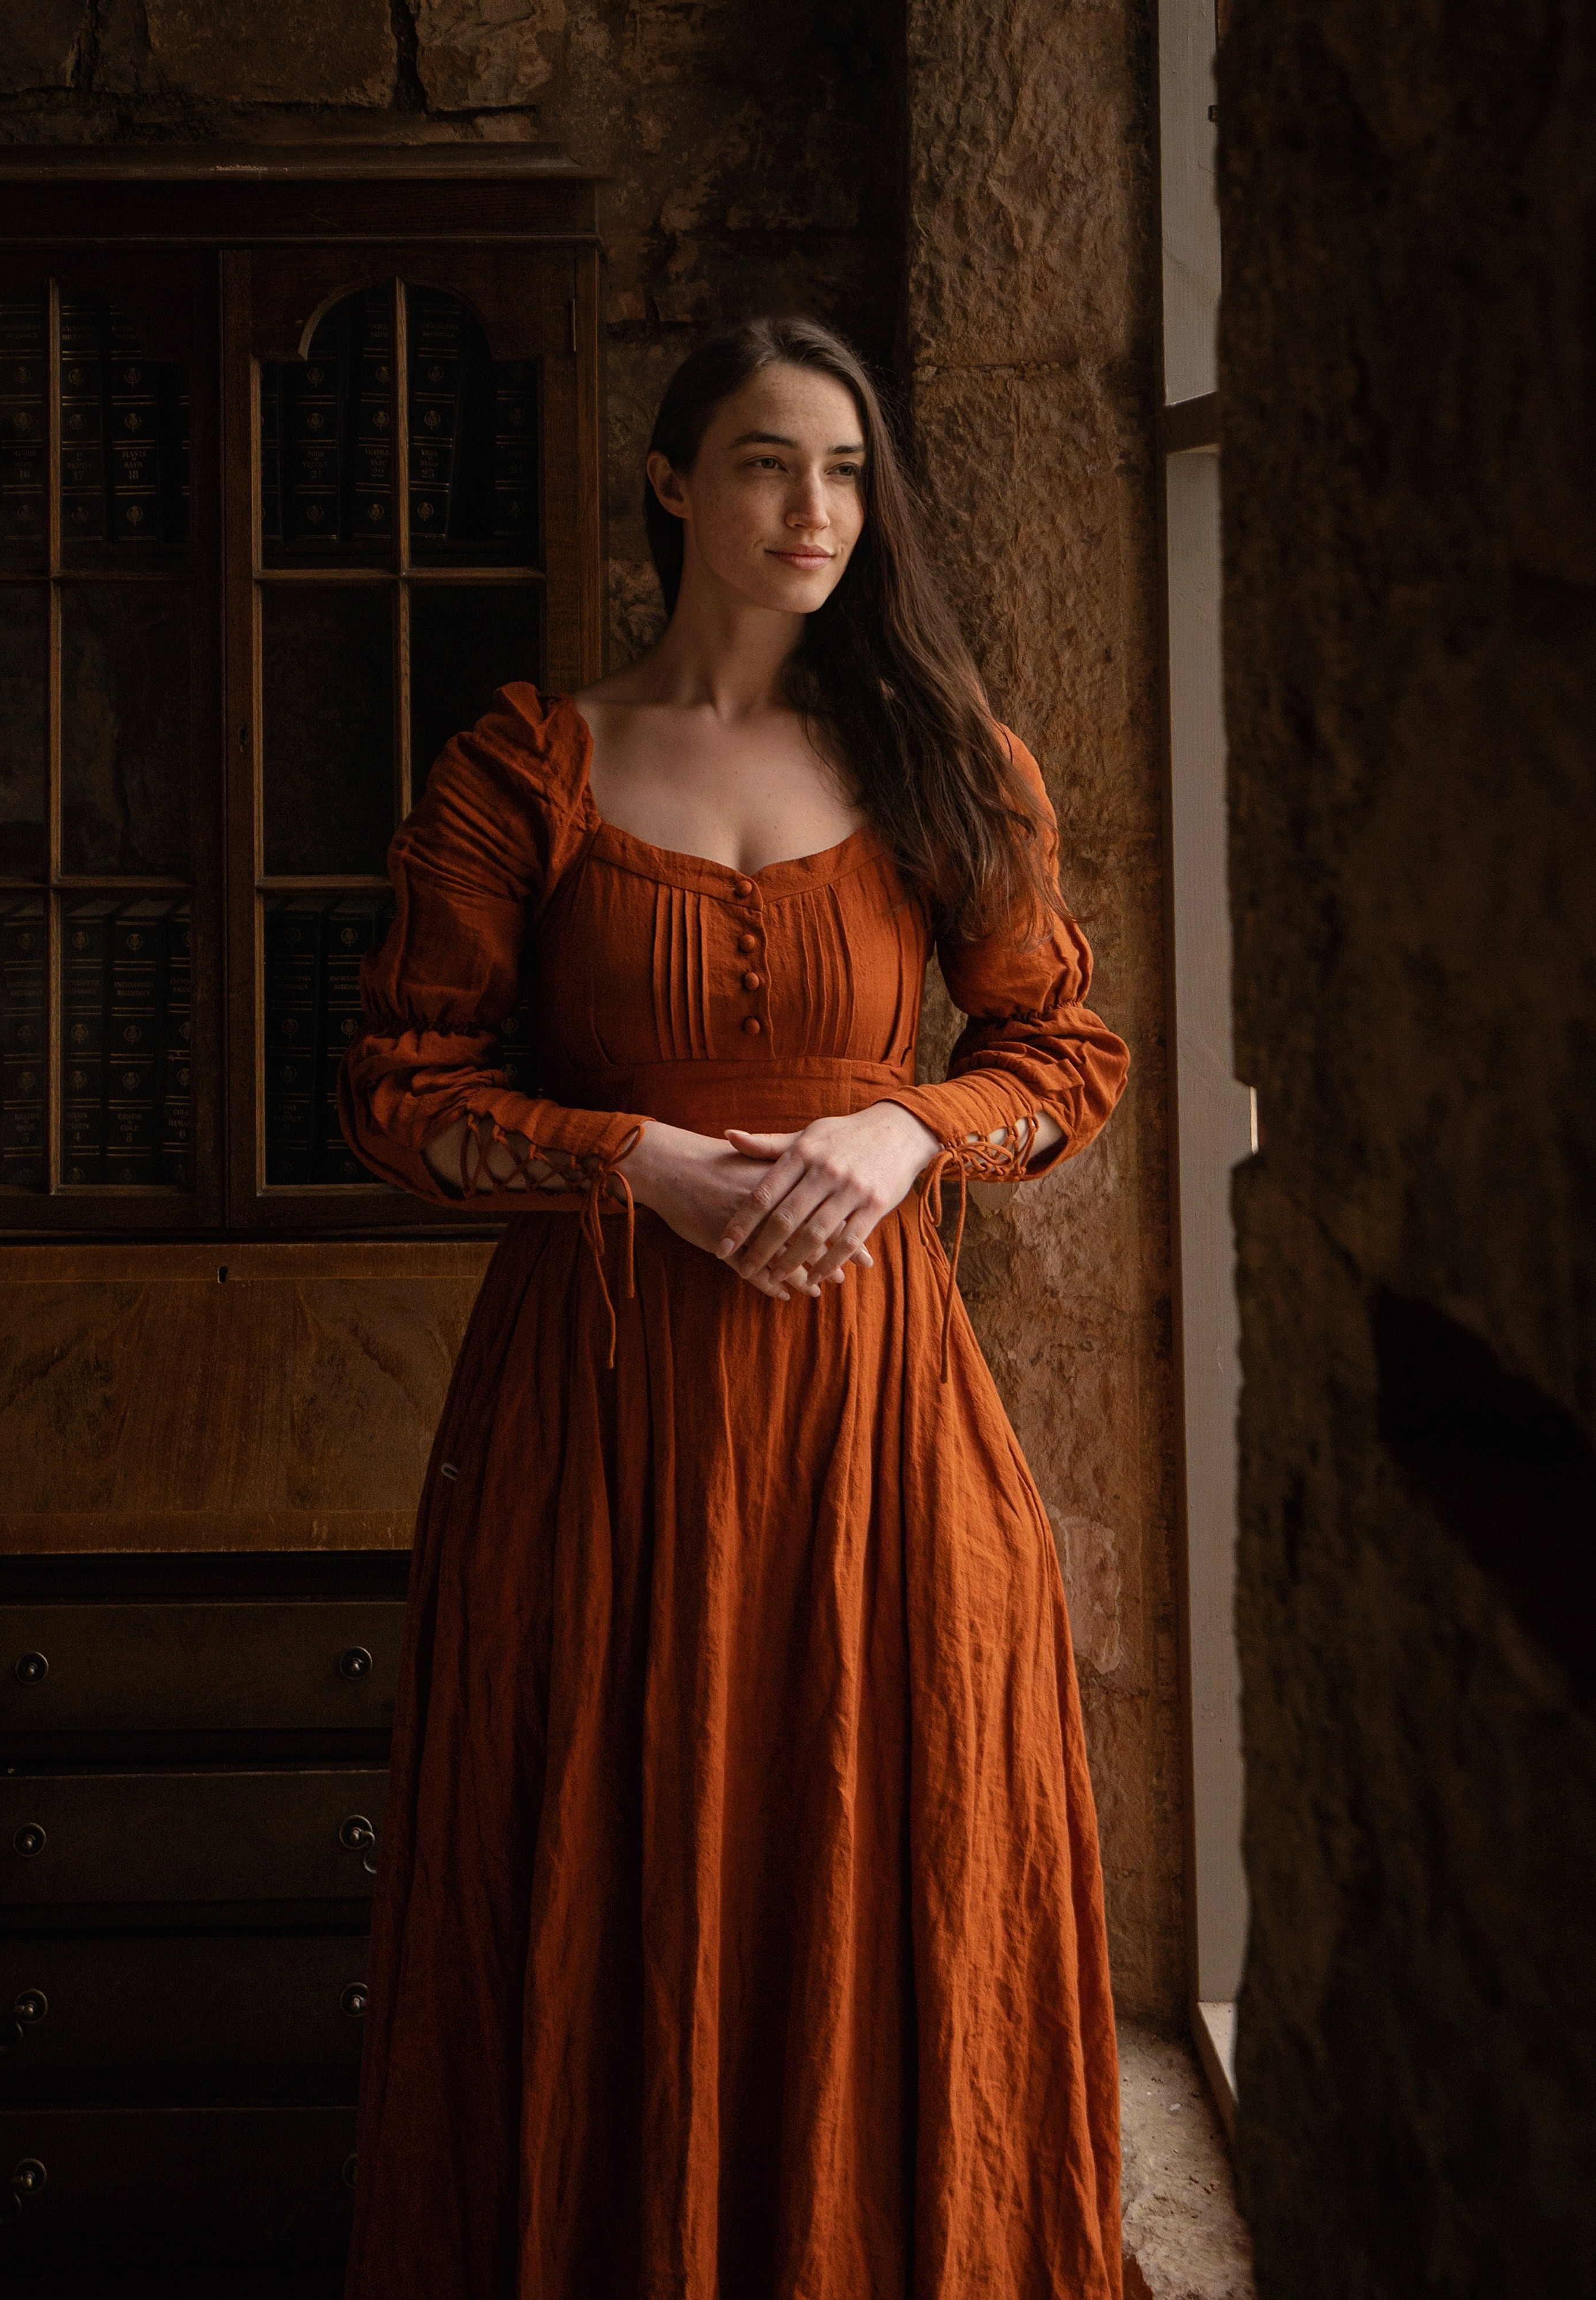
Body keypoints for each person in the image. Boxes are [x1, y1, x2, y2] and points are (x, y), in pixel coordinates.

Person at [338, 314, 1130, 2299]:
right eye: (772, 464)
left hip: (875, 1412)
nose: (816, 512)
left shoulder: (950, 759)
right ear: (675, 485)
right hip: (600, 1412)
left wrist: (904, 1134)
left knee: (893, 1841)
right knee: (607, 1867)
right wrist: (641, 1162)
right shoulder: (526, 763)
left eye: (848, 471)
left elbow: (1061, 1056)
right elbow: (395, 1092)